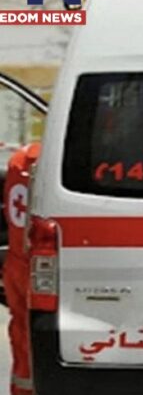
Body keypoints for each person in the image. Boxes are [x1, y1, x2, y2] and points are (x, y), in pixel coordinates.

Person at [3, 143, 40, 395]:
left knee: (21, 335)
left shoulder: (19, 159)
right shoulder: (51, 160)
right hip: (36, 266)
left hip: (16, 261)